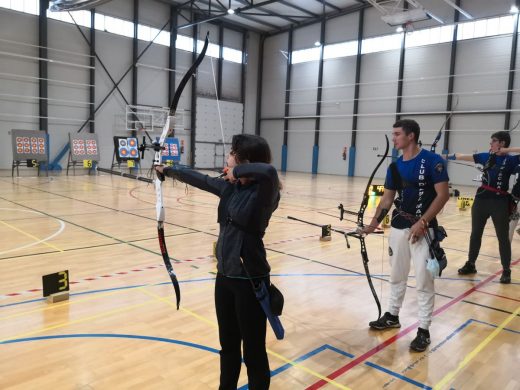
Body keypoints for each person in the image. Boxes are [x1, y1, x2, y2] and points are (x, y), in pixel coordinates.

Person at [156, 134, 280, 390]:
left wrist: (237, 171)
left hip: (250, 281)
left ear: (245, 160)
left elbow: (267, 170)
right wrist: (168, 170)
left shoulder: (264, 192)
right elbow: (199, 179)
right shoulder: (231, 187)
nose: (228, 157)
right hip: (225, 278)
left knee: (254, 352)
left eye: (234, 153)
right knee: (228, 346)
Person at [362, 119, 450, 352]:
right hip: (400, 227)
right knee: (396, 274)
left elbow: (443, 195)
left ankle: (424, 329)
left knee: (423, 280)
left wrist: (423, 222)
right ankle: (392, 316)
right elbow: (387, 199)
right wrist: (371, 226)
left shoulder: (433, 162)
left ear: (411, 136)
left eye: (397, 134)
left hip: (424, 230)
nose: (394, 138)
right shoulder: (394, 166)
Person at [448, 131, 520, 284]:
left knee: (503, 238)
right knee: (475, 234)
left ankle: (506, 270)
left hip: (499, 202)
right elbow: (461, 156)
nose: (490, 144)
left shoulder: (512, 160)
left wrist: (507, 151)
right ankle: (471, 264)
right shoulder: (486, 156)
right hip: (481, 200)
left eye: (493, 141)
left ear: (502, 143)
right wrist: (443, 157)